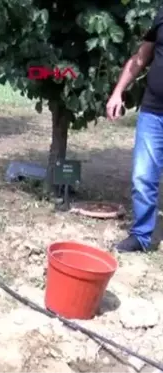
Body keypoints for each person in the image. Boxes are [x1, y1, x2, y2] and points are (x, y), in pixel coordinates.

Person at [106, 7, 163, 252]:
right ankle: (141, 236)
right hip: (153, 109)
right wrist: (118, 92)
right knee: (142, 176)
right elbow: (142, 56)